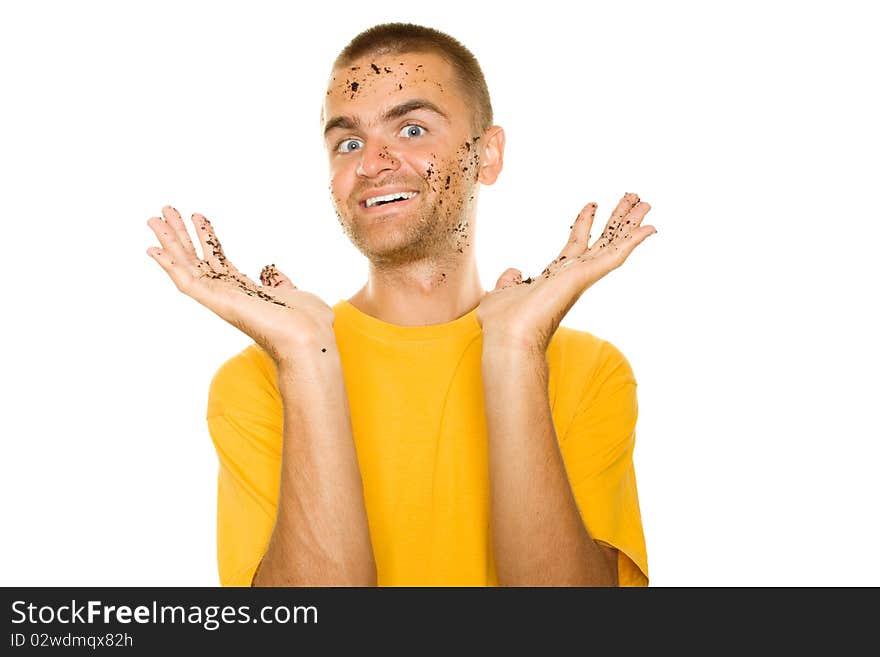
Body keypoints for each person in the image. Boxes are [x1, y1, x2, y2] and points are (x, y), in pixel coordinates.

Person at [146, 22, 656, 587]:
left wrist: (515, 354)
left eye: (412, 129)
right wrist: (306, 360)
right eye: (348, 142)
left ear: (488, 154)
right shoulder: (261, 380)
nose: (371, 163)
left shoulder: (588, 372)